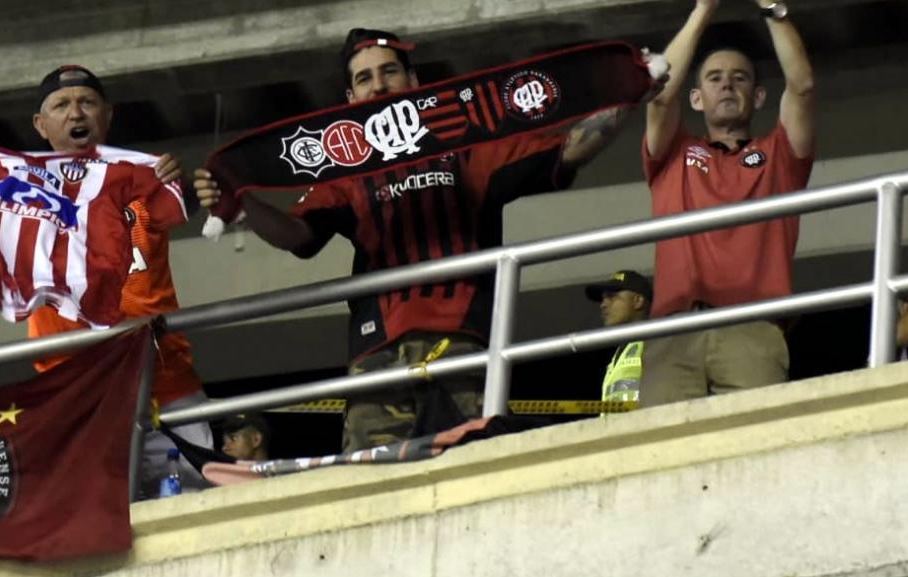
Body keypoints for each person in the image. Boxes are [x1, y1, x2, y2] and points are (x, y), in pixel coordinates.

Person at [195, 28, 644, 452]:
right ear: (350, 98)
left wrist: (630, 92)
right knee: (374, 488)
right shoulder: (347, 168)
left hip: (464, 345)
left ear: (414, 80)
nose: (379, 86)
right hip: (376, 356)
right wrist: (241, 207)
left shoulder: (463, 145)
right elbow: (298, 235)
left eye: (389, 71)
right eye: (364, 79)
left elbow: (566, 151)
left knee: (475, 475)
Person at [0, 65, 213, 496]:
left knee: (198, 514)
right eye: (61, 105)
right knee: (97, 518)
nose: (75, 113)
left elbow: (196, 201)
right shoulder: (13, 189)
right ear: (40, 125)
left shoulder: (146, 178)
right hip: (77, 387)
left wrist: (200, 188)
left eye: (87, 102)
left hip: (165, 380)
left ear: (108, 114)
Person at [639, 0, 816, 406]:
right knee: (659, 458)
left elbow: (802, 85)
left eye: (740, 78)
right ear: (696, 99)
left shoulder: (779, 155)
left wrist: (769, 3)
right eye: (714, 79)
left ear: (758, 97)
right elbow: (658, 92)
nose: (727, 86)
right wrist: (702, 10)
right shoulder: (674, 154)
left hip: (753, 329)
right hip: (674, 330)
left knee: (754, 454)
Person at [584, 270, 652, 404]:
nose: (603, 304)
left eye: (612, 297)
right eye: (603, 298)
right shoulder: (620, 354)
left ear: (638, 301)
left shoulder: (656, 344)